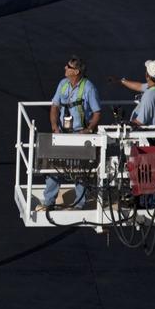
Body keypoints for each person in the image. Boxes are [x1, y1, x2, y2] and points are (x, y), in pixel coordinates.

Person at [40, 56, 101, 210]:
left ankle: (79, 204)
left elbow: (97, 113)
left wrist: (88, 130)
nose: (64, 68)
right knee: (54, 167)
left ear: (76, 71)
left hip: (79, 135)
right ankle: (49, 202)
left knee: (81, 170)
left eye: (68, 66)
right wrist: (55, 127)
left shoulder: (89, 88)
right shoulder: (63, 84)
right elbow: (55, 106)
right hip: (62, 134)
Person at [114, 60, 155, 126]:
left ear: (147, 75)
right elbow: (139, 86)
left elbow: (139, 122)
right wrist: (121, 81)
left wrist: (121, 124)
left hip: (145, 135)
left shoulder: (149, 95)